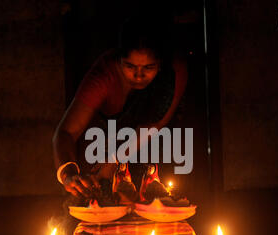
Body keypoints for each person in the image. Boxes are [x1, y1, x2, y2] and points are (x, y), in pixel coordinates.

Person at [52, 15, 188, 203]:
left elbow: (156, 124)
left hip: (155, 152)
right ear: (119, 59)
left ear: (161, 63)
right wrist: (67, 173)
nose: (139, 76)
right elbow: (65, 132)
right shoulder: (103, 77)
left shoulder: (174, 71)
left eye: (149, 67)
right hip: (101, 151)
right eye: (130, 66)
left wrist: (116, 159)